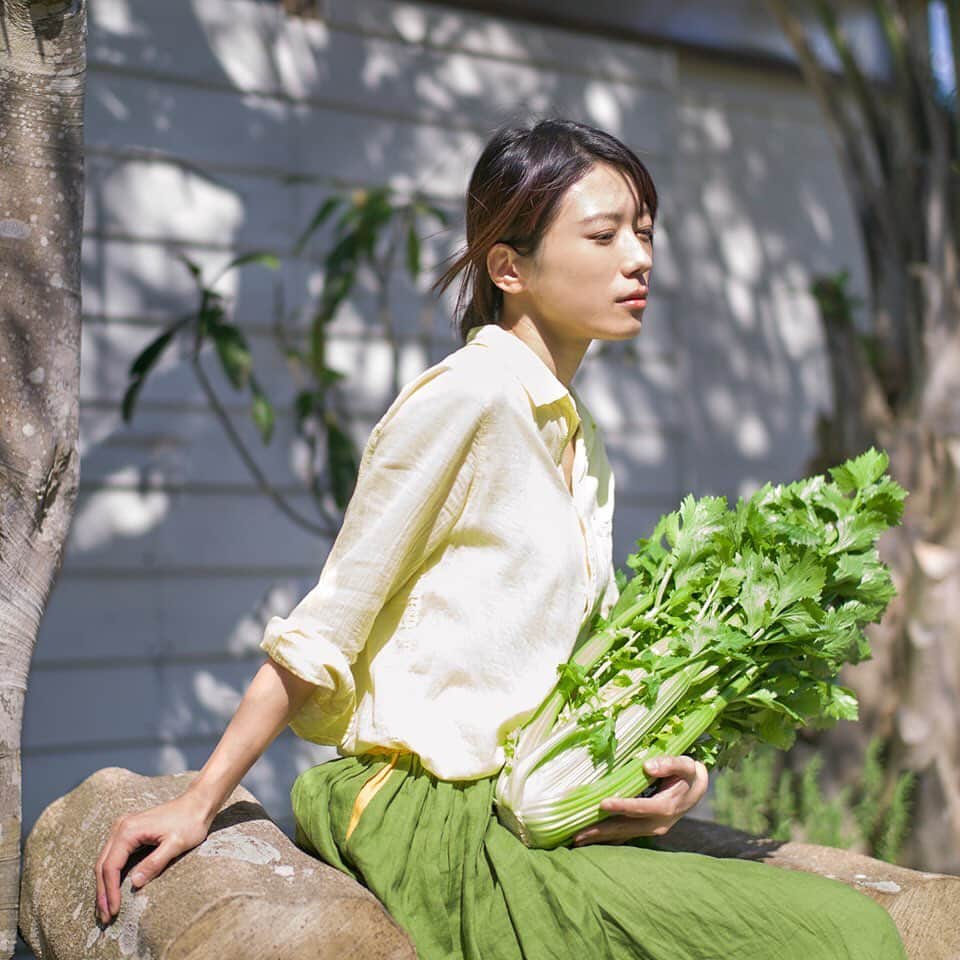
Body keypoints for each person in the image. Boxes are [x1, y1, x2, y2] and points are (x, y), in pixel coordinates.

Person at [95, 117, 907, 959]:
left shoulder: (578, 437)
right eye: (603, 234)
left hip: (525, 807)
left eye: (644, 232)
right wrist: (199, 800)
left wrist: (676, 774)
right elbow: (328, 620)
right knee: (842, 932)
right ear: (509, 267)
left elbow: (588, 664)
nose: (638, 258)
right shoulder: (469, 398)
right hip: (425, 814)